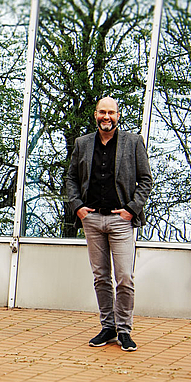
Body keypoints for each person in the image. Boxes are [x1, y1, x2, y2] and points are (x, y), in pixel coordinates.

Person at [64, 96, 152, 352]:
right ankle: (108, 326)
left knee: (124, 277)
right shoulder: (82, 143)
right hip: (92, 219)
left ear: (117, 114)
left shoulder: (133, 142)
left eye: (111, 112)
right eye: (102, 112)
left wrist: (130, 210)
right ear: (95, 114)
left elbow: (145, 180)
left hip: (121, 220)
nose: (107, 117)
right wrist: (78, 207)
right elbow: (71, 178)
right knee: (101, 276)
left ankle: (125, 330)